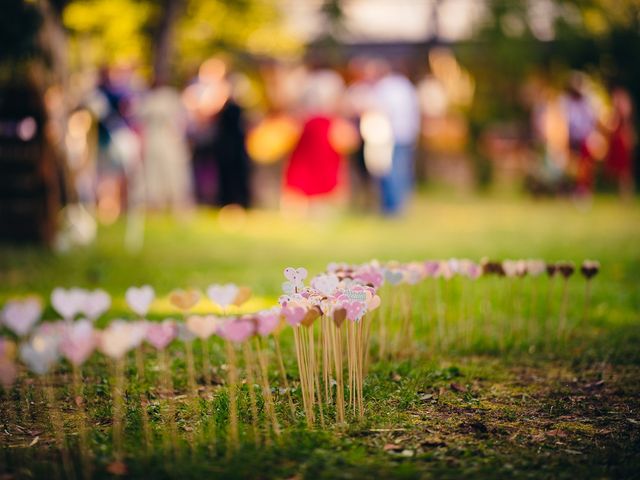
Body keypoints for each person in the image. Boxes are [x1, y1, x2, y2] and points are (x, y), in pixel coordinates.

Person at [283, 69, 357, 216]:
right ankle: (312, 205)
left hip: (320, 139)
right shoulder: (314, 118)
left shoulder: (316, 119)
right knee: (312, 172)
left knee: (319, 172)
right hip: (316, 138)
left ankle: (316, 205)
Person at [372, 61, 420, 215]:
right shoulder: (407, 87)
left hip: (388, 135)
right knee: (403, 170)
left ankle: (391, 207)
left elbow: (378, 110)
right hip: (406, 134)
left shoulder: (384, 87)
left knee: (389, 170)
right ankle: (400, 204)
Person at [137, 81, 193, 212]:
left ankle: (176, 202)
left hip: (168, 140)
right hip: (154, 140)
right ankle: (157, 202)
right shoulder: (149, 98)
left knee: (173, 171)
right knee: (154, 172)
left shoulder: (170, 98)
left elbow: (181, 120)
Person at [605, 86, 635, 199]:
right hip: (618, 140)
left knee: (624, 171)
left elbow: (618, 126)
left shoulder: (621, 111)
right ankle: (621, 194)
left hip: (621, 140)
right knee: (620, 170)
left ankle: (625, 194)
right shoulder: (619, 110)